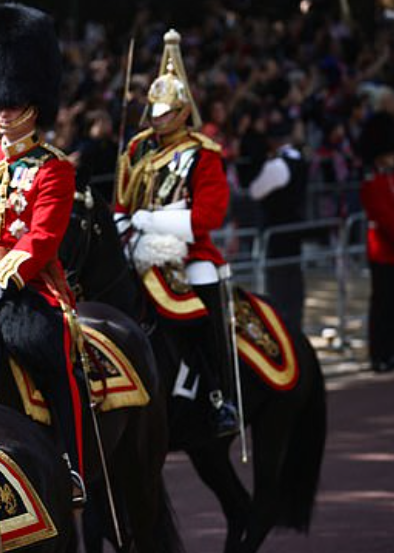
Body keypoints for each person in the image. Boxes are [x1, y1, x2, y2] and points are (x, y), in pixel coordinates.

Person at [0, 3, 88, 503]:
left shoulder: (53, 168)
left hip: (29, 286)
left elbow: (42, 239)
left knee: (50, 359)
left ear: (36, 106)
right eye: (0, 105)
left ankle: (71, 462)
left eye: (16, 105)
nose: (5, 113)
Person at [114, 29, 238, 437]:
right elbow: (121, 202)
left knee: (202, 295)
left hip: (188, 250)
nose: (156, 118)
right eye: (153, 110)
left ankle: (221, 392)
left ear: (183, 111)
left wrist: (153, 220)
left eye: (165, 111)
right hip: (137, 243)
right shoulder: (137, 149)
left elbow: (207, 217)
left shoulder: (202, 154)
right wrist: (124, 224)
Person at [247, 113, 308, 329]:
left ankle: (284, 329)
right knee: (294, 285)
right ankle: (294, 326)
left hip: (278, 232)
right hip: (295, 231)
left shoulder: (277, 165)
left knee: (280, 287)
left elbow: (255, 192)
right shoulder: (300, 161)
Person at [358, 111, 394, 373]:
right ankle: (380, 354)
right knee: (382, 304)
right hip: (383, 251)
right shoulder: (373, 180)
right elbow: (384, 216)